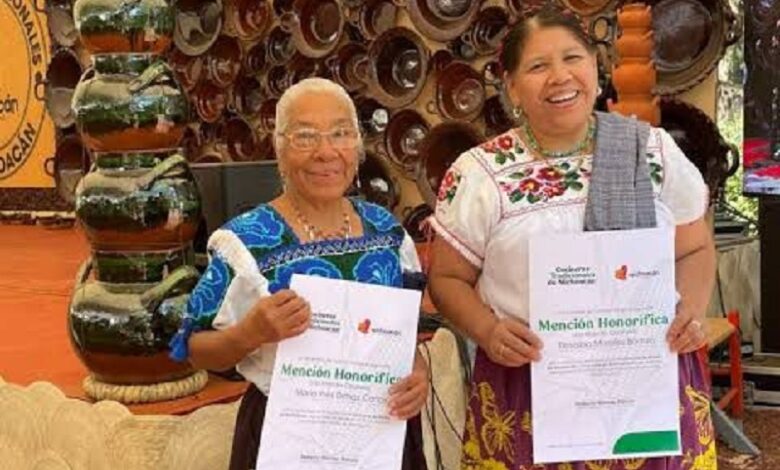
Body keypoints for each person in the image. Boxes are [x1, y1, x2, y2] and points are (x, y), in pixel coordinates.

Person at [427, 6, 717, 470]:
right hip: (528, 390)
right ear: (513, 87)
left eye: (572, 58)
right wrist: (487, 330)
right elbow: (446, 278)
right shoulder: (480, 173)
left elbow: (697, 246)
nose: (560, 77)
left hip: (647, 382)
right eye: (538, 67)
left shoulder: (651, 150)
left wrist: (691, 311)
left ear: (596, 70)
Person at [169, 78, 429, 470]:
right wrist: (249, 333)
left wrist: (418, 375)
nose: (326, 152)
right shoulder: (245, 242)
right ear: (280, 149)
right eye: (306, 137)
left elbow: (405, 335)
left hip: (379, 434)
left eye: (341, 133)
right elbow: (192, 348)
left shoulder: (387, 232)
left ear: (357, 147)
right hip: (287, 439)